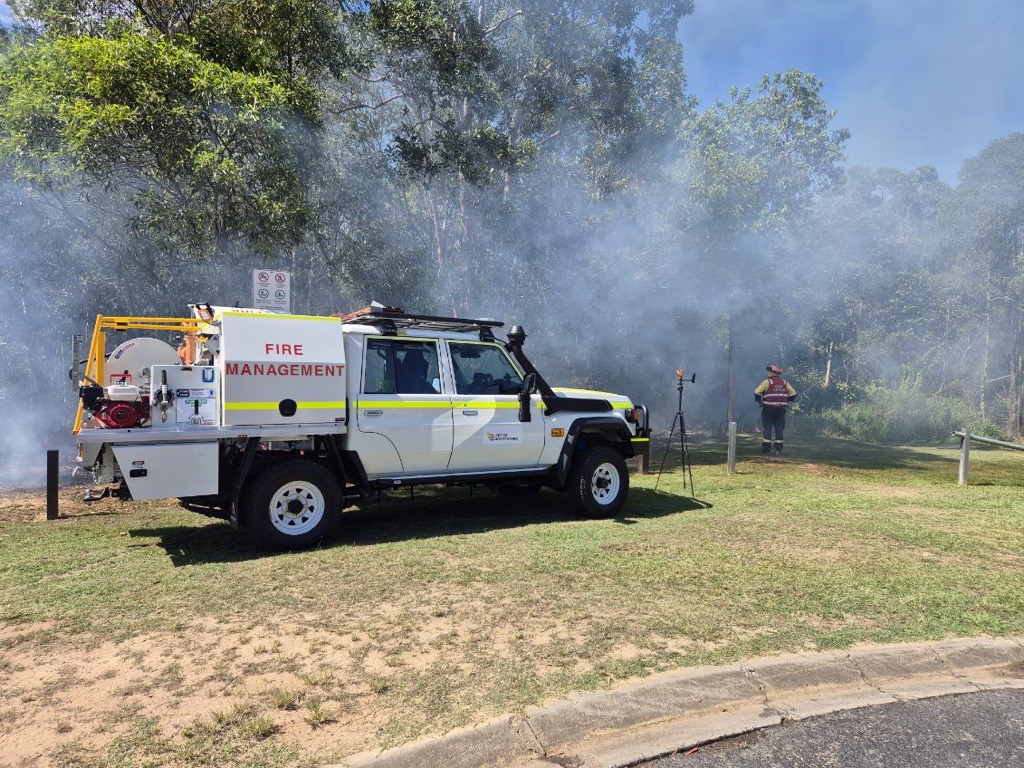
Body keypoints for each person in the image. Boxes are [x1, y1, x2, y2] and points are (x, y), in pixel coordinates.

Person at [754, 364, 797, 455]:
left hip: (768, 409)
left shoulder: (767, 382)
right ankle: (778, 449)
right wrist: (786, 400)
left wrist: (759, 402)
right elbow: (793, 394)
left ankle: (766, 450)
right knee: (779, 429)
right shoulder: (785, 383)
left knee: (767, 428)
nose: (768, 373)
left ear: (773, 373)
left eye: (769, 371)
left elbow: (757, 392)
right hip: (781, 410)